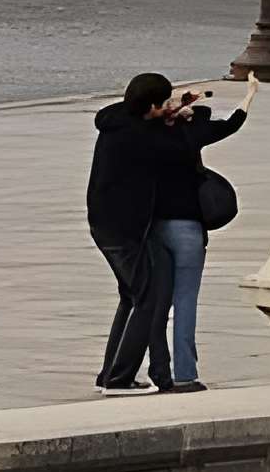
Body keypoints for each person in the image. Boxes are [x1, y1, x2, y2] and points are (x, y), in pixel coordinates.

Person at [151, 77, 255, 394]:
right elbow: (234, 121)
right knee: (185, 302)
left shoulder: (149, 134)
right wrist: (251, 92)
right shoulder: (193, 136)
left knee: (153, 304)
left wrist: (180, 101)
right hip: (188, 229)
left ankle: (154, 369)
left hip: (154, 227)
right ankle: (185, 374)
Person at [87, 73, 178, 393]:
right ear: (151, 106)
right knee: (148, 299)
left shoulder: (116, 119)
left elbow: (144, 123)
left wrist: (163, 114)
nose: (168, 106)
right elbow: (170, 151)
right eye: (164, 102)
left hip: (103, 224)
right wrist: (179, 120)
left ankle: (109, 374)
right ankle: (120, 379)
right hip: (124, 229)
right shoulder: (140, 138)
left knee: (130, 295)